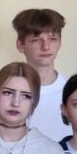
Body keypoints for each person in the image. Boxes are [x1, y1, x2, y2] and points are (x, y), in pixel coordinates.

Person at [11, 8, 69, 143]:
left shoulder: (72, 90)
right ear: (20, 45)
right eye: (37, 40)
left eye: (52, 39)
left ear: (60, 43)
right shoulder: (5, 92)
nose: (46, 46)